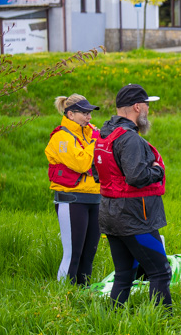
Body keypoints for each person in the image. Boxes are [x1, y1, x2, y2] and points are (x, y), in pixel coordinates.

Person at [95, 84, 172, 309]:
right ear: (137, 107)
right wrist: (157, 168)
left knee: (123, 275)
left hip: (111, 215)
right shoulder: (130, 139)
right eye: (147, 105)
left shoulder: (104, 134)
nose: (148, 110)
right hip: (136, 218)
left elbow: (96, 172)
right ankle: (162, 324)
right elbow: (137, 176)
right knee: (160, 271)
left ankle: (112, 320)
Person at [44, 94, 102, 285]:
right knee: (73, 254)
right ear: (70, 114)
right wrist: (95, 141)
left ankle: (83, 296)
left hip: (95, 200)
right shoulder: (61, 137)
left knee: (89, 255)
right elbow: (81, 164)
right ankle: (62, 300)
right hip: (71, 201)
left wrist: (99, 140)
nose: (89, 117)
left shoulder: (88, 134)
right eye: (84, 113)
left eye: (90, 113)